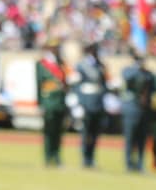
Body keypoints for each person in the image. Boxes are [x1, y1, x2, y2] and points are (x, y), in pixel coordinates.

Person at [73, 42, 107, 168]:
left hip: (97, 103)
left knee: (95, 133)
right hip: (86, 102)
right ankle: (85, 158)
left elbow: (103, 85)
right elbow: (77, 85)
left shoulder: (100, 65)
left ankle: (91, 158)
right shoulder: (81, 66)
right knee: (86, 133)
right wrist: (79, 104)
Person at [121, 49, 154, 172]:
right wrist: (137, 68)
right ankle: (129, 164)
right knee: (130, 138)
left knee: (142, 138)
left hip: (143, 110)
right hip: (131, 109)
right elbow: (127, 78)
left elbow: (150, 85)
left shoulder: (147, 74)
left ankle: (140, 164)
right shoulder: (129, 70)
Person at [36, 39, 67, 167]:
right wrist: (40, 103)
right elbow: (38, 84)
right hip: (48, 100)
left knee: (59, 131)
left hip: (60, 101)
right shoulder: (42, 64)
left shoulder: (61, 63)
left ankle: (57, 155)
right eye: (53, 48)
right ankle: (48, 156)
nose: (55, 50)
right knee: (49, 131)